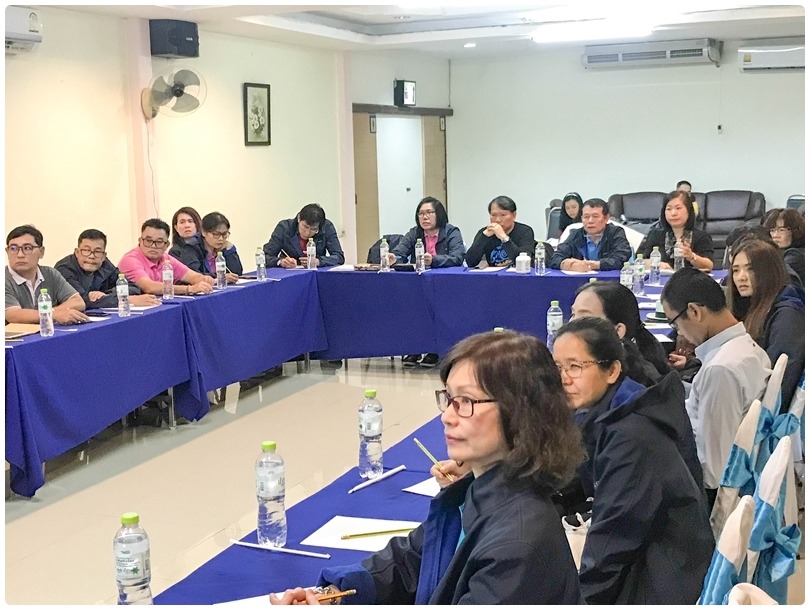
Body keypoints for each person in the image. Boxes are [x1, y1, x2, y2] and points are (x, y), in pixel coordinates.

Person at [272, 330, 584, 605]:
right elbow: (416, 558)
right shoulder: (479, 490)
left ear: (520, 412)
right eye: (449, 398)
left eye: (466, 401)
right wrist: (335, 595)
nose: (447, 416)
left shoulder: (517, 545)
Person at [552, 317, 713, 604]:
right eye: (557, 368)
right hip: (653, 556)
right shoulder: (619, 408)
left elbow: (613, 541)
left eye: (575, 367)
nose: (564, 379)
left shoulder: (631, 436)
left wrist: (579, 601)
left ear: (612, 370)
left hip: (662, 577)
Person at [661, 268, 771, 508]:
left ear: (694, 311)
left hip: (709, 498)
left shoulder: (721, 370)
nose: (679, 332)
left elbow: (713, 470)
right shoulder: (745, 347)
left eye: (675, 323)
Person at [728, 238, 804, 410]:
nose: (741, 277)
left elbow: (779, 384)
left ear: (769, 271)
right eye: (736, 270)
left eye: (750, 269)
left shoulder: (787, 316)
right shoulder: (754, 308)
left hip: (760, 412)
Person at [389, 196, 465, 368]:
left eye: (429, 212)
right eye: (421, 213)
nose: (424, 217)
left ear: (439, 214)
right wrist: (394, 257)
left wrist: (434, 260)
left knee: (438, 310)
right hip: (420, 283)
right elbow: (400, 252)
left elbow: (458, 257)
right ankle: (416, 347)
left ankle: (434, 350)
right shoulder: (414, 233)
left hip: (445, 284)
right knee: (413, 308)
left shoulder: (451, 232)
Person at [570, 280, 671, 385]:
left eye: (584, 317)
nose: (572, 323)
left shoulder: (630, 382)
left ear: (618, 330)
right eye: (573, 314)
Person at [55, 229, 160, 309]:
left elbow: (132, 287)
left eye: (97, 251)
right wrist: (126, 300)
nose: (91, 256)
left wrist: (108, 295)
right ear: (77, 252)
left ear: (104, 255)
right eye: (86, 250)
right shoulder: (64, 269)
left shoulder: (104, 264)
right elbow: (82, 300)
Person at [5, 224, 88, 324]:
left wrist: (51, 312)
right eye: (13, 248)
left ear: (41, 252)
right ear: (7, 251)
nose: (20, 255)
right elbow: (13, 315)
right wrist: (53, 315)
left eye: (27, 248)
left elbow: (78, 302)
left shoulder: (50, 274)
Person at [118, 218, 215, 296]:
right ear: (140, 241)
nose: (153, 246)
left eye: (159, 242)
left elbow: (192, 276)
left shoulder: (165, 258)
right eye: (148, 241)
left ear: (166, 245)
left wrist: (207, 280)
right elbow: (149, 287)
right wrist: (189, 289)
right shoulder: (130, 260)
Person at [637, 190, 714, 271]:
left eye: (678, 208)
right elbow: (642, 261)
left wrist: (691, 256)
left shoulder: (701, 236)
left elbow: (709, 266)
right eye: (669, 209)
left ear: (689, 211)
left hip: (690, 278)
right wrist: (658, 264)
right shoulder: (655, 234)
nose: (673, 213)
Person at [549, 198, 632, 271]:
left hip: (609, 281)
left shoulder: (615, 233)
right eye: (586, 217)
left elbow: (620, 259)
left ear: (606, 218)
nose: (590, 221)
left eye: (595, 216)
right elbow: (555, 258)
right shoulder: (575, 234)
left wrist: (591, 265)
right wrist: (567, 264)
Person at [263, 203, 344, 268]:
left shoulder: (327, 227)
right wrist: (281, 262)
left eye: (313, 229)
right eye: (305, 227)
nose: (307, 232)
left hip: (316, 274)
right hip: (289, 274)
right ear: (299, 218)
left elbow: (339, 257)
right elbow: (265, 257)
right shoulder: (284, 227)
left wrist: (319, 261)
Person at [463, 195, 535, 268]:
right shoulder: (485, 232)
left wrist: (504, 237)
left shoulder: (525, 231)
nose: (498, 220)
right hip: (494, 274)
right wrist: (483, 237)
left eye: (503, 215)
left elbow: (524, 262)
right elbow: (470, 262)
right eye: (493, 215)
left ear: (514, 215)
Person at [191, 212, 243, 281]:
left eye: (224, 234)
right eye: (216, 234)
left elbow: (237, 273)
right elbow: (195, 276)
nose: (221, 239)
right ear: (203, 232)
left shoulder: (223, 248)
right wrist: (220, 277)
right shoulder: (192, 248)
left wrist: (229, 250)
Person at [762, 207, 805, 286]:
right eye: (772, 230)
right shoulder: (776, 251)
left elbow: (776, 278)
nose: (775, 235)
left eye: (781, 230)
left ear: (795, 231)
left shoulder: (796, 255)